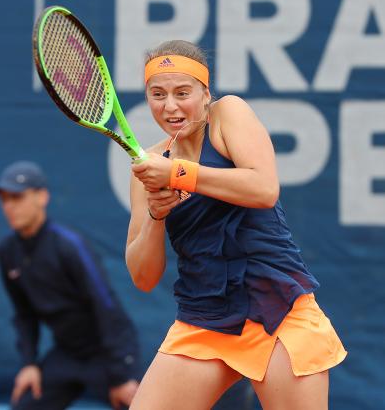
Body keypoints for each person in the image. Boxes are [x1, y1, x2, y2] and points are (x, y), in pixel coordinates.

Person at [125, 40, 347, 410]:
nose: (170, 106)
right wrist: (156, 216)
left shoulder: (228, 113)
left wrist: (179, 174)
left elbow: (264, 188)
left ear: (206, 93)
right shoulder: (148, 164)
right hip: (204, 319)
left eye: (183, 92)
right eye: (157, 94)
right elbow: (144, 278)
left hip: (277, 308)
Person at [0, 161, 140, 410]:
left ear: (42, 197)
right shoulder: (6, 252)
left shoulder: (69, 246)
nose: (9, 207)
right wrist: (29, 364)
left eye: (17, 197)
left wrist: (122, 374)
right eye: (4, 200)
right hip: (66, 355)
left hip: (106, 354)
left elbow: (106, 308)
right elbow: (24, 315)